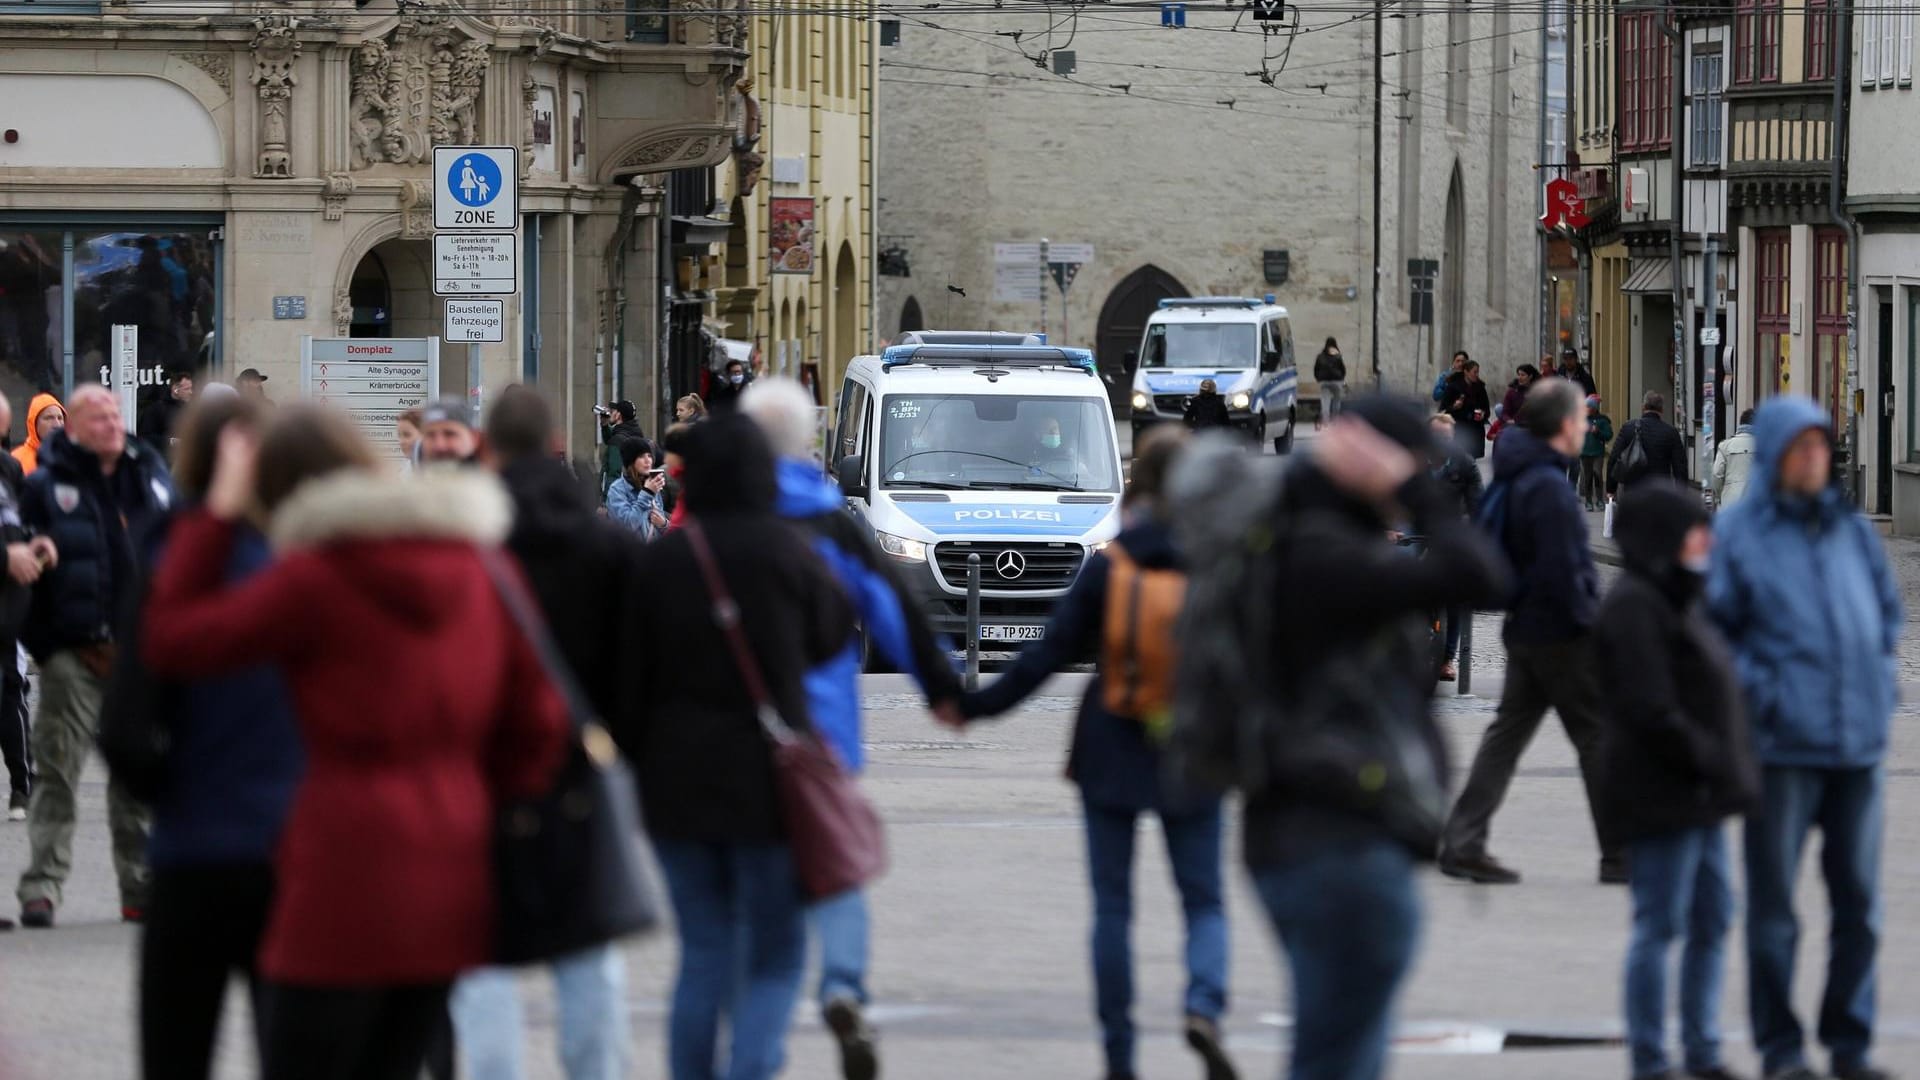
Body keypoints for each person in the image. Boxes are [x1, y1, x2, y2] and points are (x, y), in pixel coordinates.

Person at [139, 404, 570, 1080]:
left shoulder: (317, 579)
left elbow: (174, 639)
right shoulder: (481, 566)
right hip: (454, 863)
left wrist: (216, 515)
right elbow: (540, 721)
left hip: (341, 858)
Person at [1227, 399, 1508, 1080]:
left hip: (1314, 837)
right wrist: (1416, 490)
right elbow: (1484, 576)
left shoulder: (1296, 534)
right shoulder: (1322, 553)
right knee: (1338, 1060)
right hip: (1339, 843)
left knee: (1332, 1053)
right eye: (1411, 463)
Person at [956, 427, 1237, 1080]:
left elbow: (1046, 655)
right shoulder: (1218, 562)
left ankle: (1119, 1056)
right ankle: (1203, 1008)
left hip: (1111, 738)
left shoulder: (1111, 564)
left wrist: (976, 707)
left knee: (1114, 907)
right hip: (1194, 745)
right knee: (1204, 902)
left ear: (1138, 489)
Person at [611, 413, 854, 1080]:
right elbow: (835, 639)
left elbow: (625, 682)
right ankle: (751, 1068)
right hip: (769, 785)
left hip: (677, 786)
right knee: (775, 954)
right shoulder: (789, 553)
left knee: (704, 952)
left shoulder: (662, 562)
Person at [742, 378, 964, 1080]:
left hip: (740, 732)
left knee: (760, 899)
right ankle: (842, 985)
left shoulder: (724, 521)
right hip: (826, 733)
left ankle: (756, 1050)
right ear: (808, 444)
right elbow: (893, 612)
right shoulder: (837, 525)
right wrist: (943, 691)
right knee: (836, 870)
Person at [449, 390, 644, 1080]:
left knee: (480, 958)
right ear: (556, 444)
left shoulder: (463, 547)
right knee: (588, 951)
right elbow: (639, 670)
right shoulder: (610, 547)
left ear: (487, 450)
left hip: (477, 778)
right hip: (579, 773)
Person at [1707, 397, 1901, 1080]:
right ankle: (1782, 1049)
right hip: (1781, 748)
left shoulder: (1849, 530)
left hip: (1857, 748)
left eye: (1823, 447)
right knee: (1775, 913)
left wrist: (1881, 687)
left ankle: (1849, 1044)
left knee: (1861, 908)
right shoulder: (1738, 535)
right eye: (1802, 448)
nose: (1815, 458)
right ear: (1778, 456)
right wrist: (1767, 693)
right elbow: (1715, 638)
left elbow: (1885, 616)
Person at [133, 393, 303, 1080]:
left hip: (193, 847)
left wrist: (165, 790)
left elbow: (144, 686)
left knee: (177, 1050)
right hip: (292, 849)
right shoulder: (308, 562)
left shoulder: (172, 554)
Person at [1596, 483, 1757, 1080]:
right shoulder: (1636, 605)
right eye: (1694, 533)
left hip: (1699, 793)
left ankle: (1702, 1048)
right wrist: (1708, 755)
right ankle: (1651, 1057)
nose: (1705, 543)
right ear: (1665, 539)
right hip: (1659, 790)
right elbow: (1650, 706)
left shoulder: (1679, 595)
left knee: (1713, 917)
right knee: (1660, 925)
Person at [1438, 377, 1624, 886]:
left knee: (1506, 736)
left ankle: (1462, 840)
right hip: (1560, 633)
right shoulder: (1547, 486)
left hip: (1526, 627)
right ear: (1564, 426)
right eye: (1580, 419)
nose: (1585, 425)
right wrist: (1591, 625)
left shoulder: (1519, 472)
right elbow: (1562, 569)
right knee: (1598, 737)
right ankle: (1621, 853)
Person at [15, 384, 173, 929]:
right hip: (71, 651)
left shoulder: (147, 475)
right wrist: (46, 645)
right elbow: (24, 558)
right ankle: (42, 886)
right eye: (94, 416)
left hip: (137, 654)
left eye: (113, 413)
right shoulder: (44, 485)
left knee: (135, 777)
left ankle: (139, 888)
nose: (109, 423)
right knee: (58, 772)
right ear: (73, 429)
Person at [0, 393, 41, 826]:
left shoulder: (9, 468)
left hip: (7, 599)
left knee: (10, 690)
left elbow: (17, 525)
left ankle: (20, 783)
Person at [1428, 412, 1482, 682]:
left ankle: (1448, 659)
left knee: (1455, 599)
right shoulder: (1413, 459)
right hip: (1419, 528)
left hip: (1452, 531)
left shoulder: (1464, 464)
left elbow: (1477, 506)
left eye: (1447, 437)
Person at [1608, 392, 1690, 498]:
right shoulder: (1671, 432)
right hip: (1660, 491)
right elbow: (1680, 466)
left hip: (1633, 490)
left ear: (1643, 407)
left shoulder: (1628, 428)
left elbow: (1614, 458)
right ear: (1661, 410)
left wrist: (1611, 489)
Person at [606, 437, 668, 542]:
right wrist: (647, 493)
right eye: (641, 456)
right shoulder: (617, 489)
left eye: (649, 456)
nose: (648, 460)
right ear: (631, 462)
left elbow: (659, 526)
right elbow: (627, 526)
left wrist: (664, 524)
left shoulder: (652, 484)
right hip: (631, 555)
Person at [138, 369, 195, 459]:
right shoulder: (157, 409)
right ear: (175, 389)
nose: (190, 392)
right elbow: (146, 436)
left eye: (191, 388)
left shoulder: (190, 410)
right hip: (164, 460)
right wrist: (171, 441)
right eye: (187, 389)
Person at [1443, 360, 1492, 459]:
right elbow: (1444, 409)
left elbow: (1486, 409)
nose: (1477, 375)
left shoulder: (1480, 388)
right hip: (1459, 429)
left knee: (1471, 461)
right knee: (1458, 459)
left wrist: (1483, 414)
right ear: (1466, 372)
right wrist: (1454, 406)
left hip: (1475, 429)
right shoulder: (1453, 387)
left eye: (1478, 372)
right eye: (1475, 372)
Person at [1711, 409, 1757, 510]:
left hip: (1729, 502)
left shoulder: (1725, 446)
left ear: (1740, 424)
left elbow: (1716, 474)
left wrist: (1720, 495)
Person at [419, 396, 482, 466]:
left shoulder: (491, 476)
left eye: (449, 434)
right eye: (430, 435)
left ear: (474, 437)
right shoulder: (411, 474)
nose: (439, 445)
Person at [13, 392, 64, 475]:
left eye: (60, 418)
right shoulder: (16, 460)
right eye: (49, 418)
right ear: (34, 423)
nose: (57, 424)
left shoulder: (72, 458)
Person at [598, 400, 642, 491]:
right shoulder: (635, 431)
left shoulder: (618, 440)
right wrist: (605, 425)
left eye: (613, 411)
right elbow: (612, 438)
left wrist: (606, 498)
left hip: (616, 495)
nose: (610, 413)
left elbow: (614, 473)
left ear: (618, 415)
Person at [1580, 395, 1614, 512]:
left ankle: (1599, 499)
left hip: (1597, 453)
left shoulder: (1602, 420)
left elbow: (1609, 435)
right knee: (1587, 477)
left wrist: (1598, 432)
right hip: (1584, 452)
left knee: (1597, 474)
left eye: (1588, 407)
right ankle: (1588, 501)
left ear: (1594, 408)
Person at [1314, 337, 1347, 424]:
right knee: (1336, 401)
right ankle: (1335, 420)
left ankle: (1325, 421)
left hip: (1324, 382)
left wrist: (1318, 378)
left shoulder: (1320, 356)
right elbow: (1343, 369)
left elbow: (1316, 369)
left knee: (1325, 402)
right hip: (1337, 381)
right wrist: (1342, 378)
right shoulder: (1338, 355)